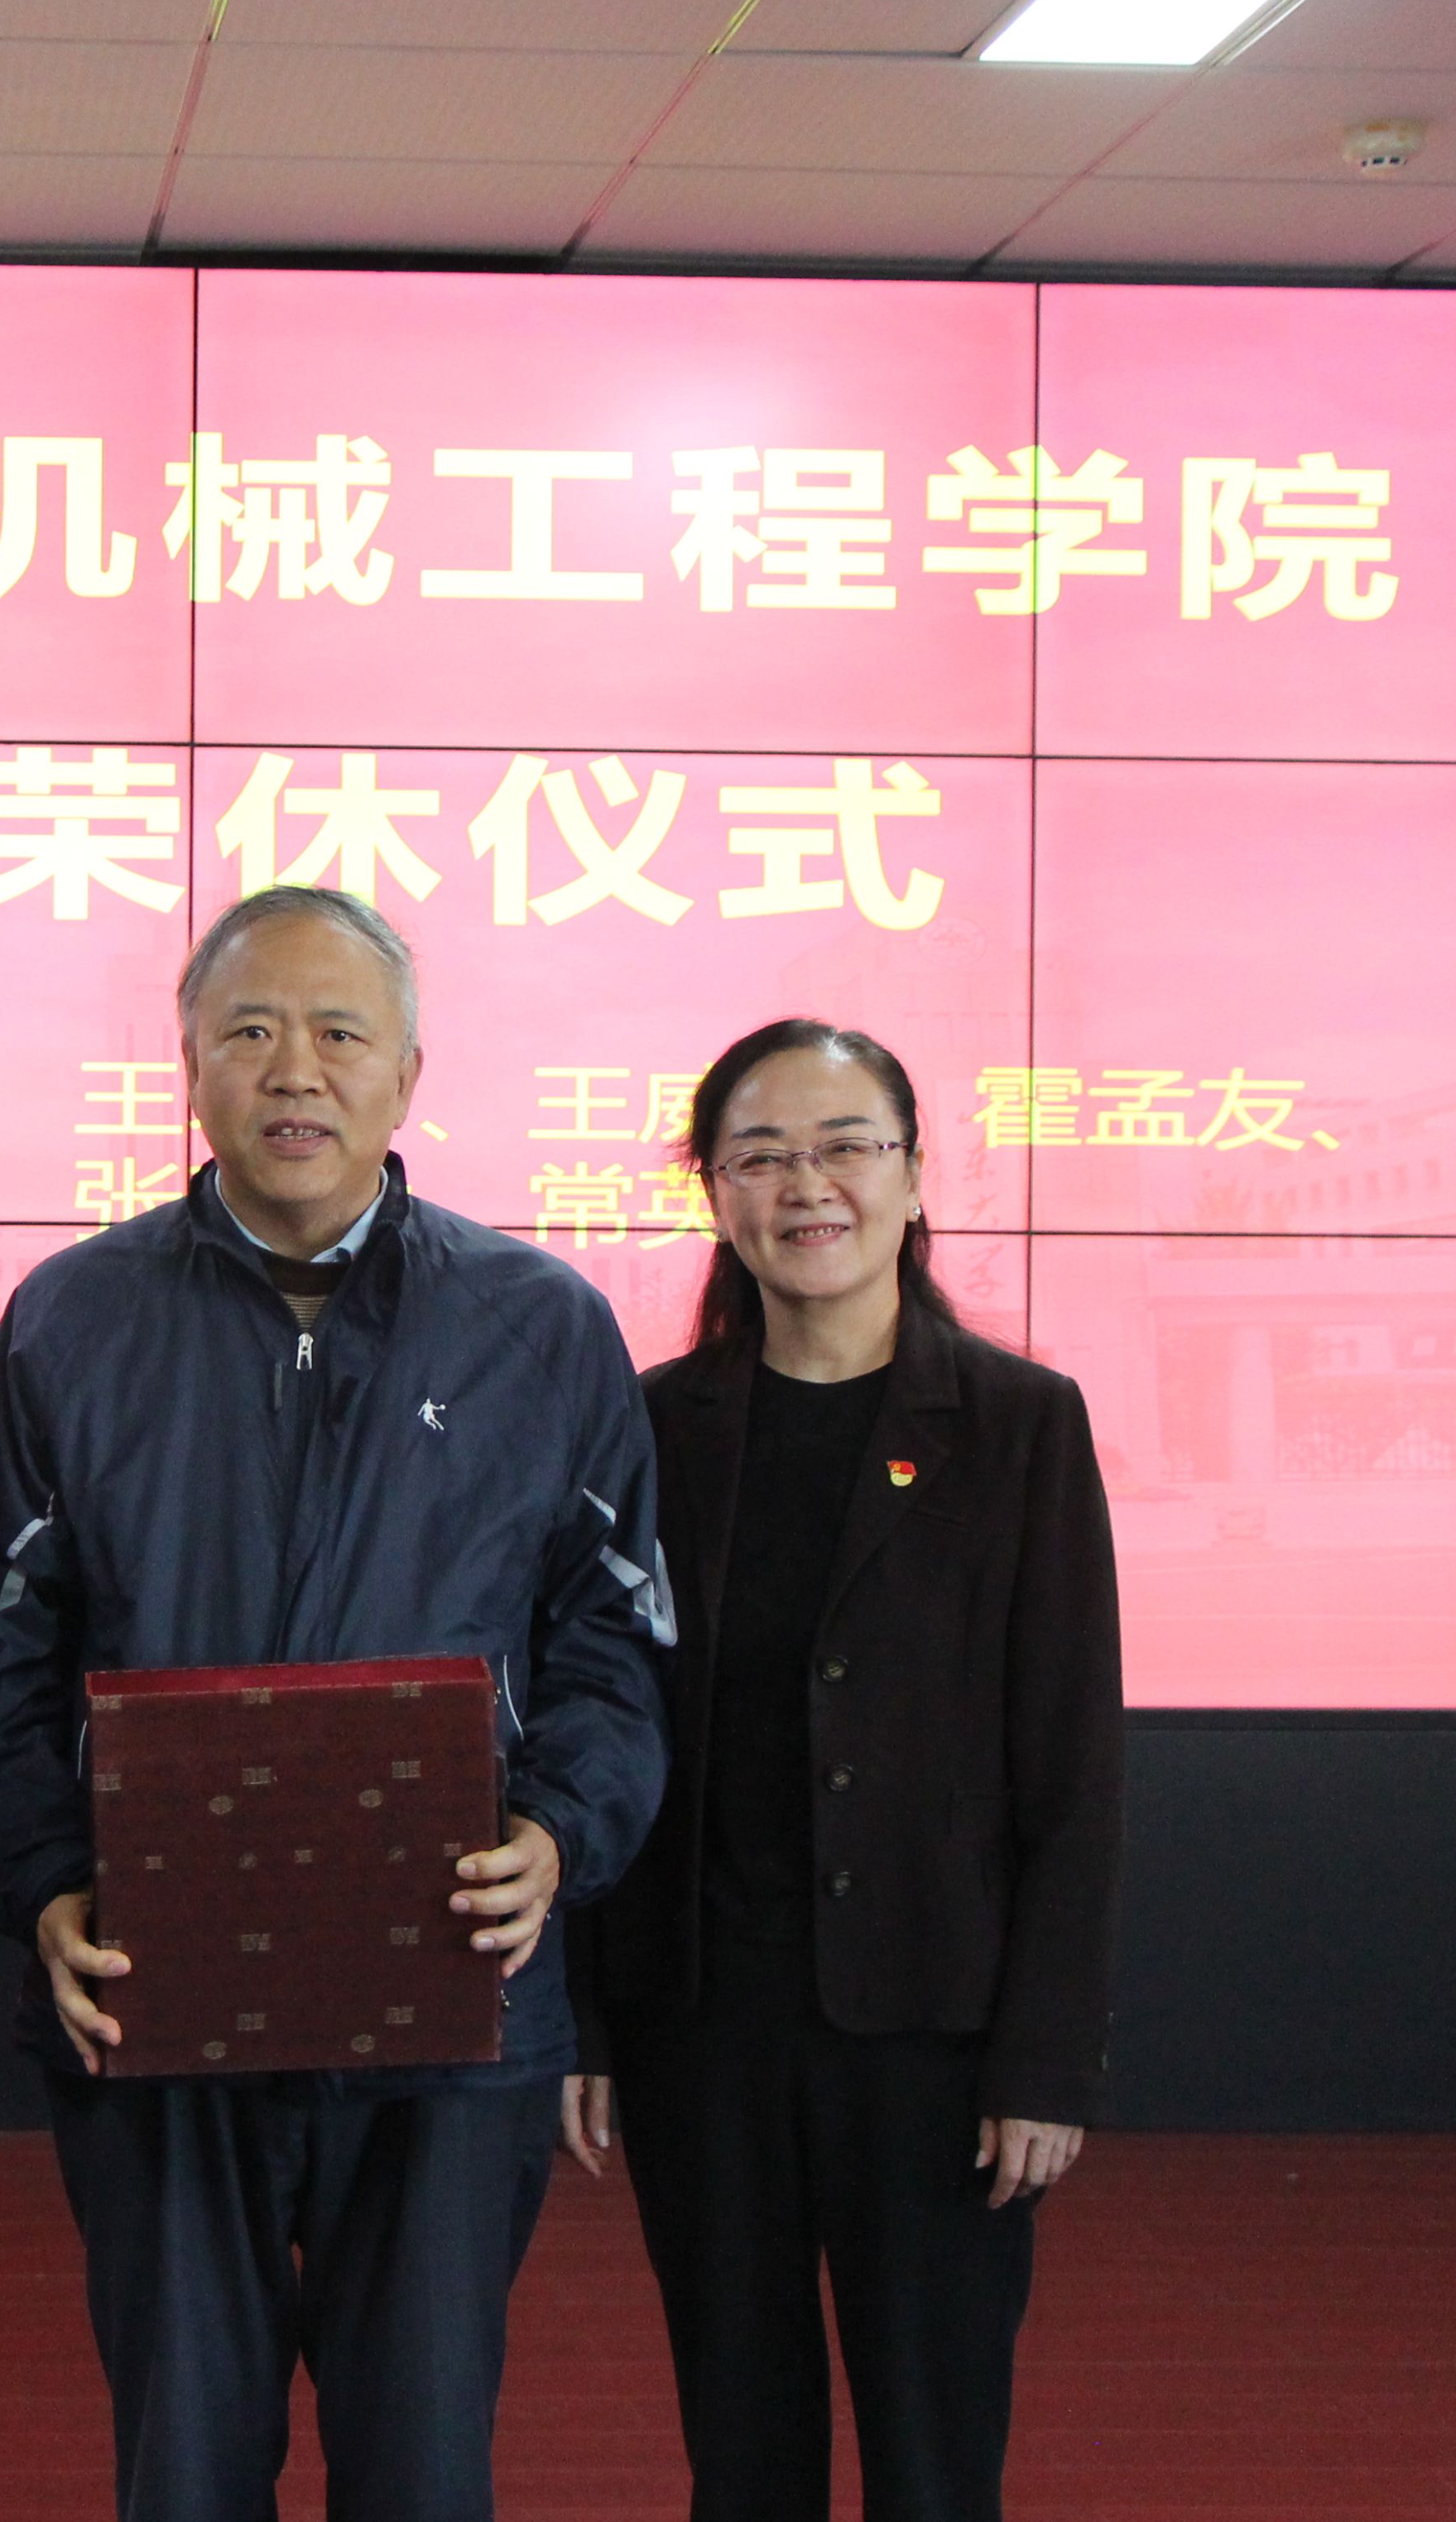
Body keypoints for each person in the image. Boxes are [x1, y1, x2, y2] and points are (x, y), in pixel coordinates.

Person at [0, 883, 672, 2522]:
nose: (296, 1068)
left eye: (340, 1032)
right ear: (189, 1065)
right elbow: (3, 1652)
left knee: (421, 2468)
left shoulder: (539, 1324)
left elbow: (612, 1643)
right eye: (252, 1030)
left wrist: (561, 1833)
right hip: (156, 1997)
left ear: (407, 1071)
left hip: (451, 2003)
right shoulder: (72, 1316)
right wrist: (44, 1882)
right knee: (183, 2467)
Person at [565, 1018, 1125, 2522]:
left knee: (937, 2462)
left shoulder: (1018, 1425)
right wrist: (589, 2015)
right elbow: (599, 1720)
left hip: (933, 2035)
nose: (805, 1185)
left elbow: (1073, 1766)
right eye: (759, 1155)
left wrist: (1045, 2059)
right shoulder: (649, 1427)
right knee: (741, 2452)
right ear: (714, 1191)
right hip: (704, 2029)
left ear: (915, 1173)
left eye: (844, 1146)